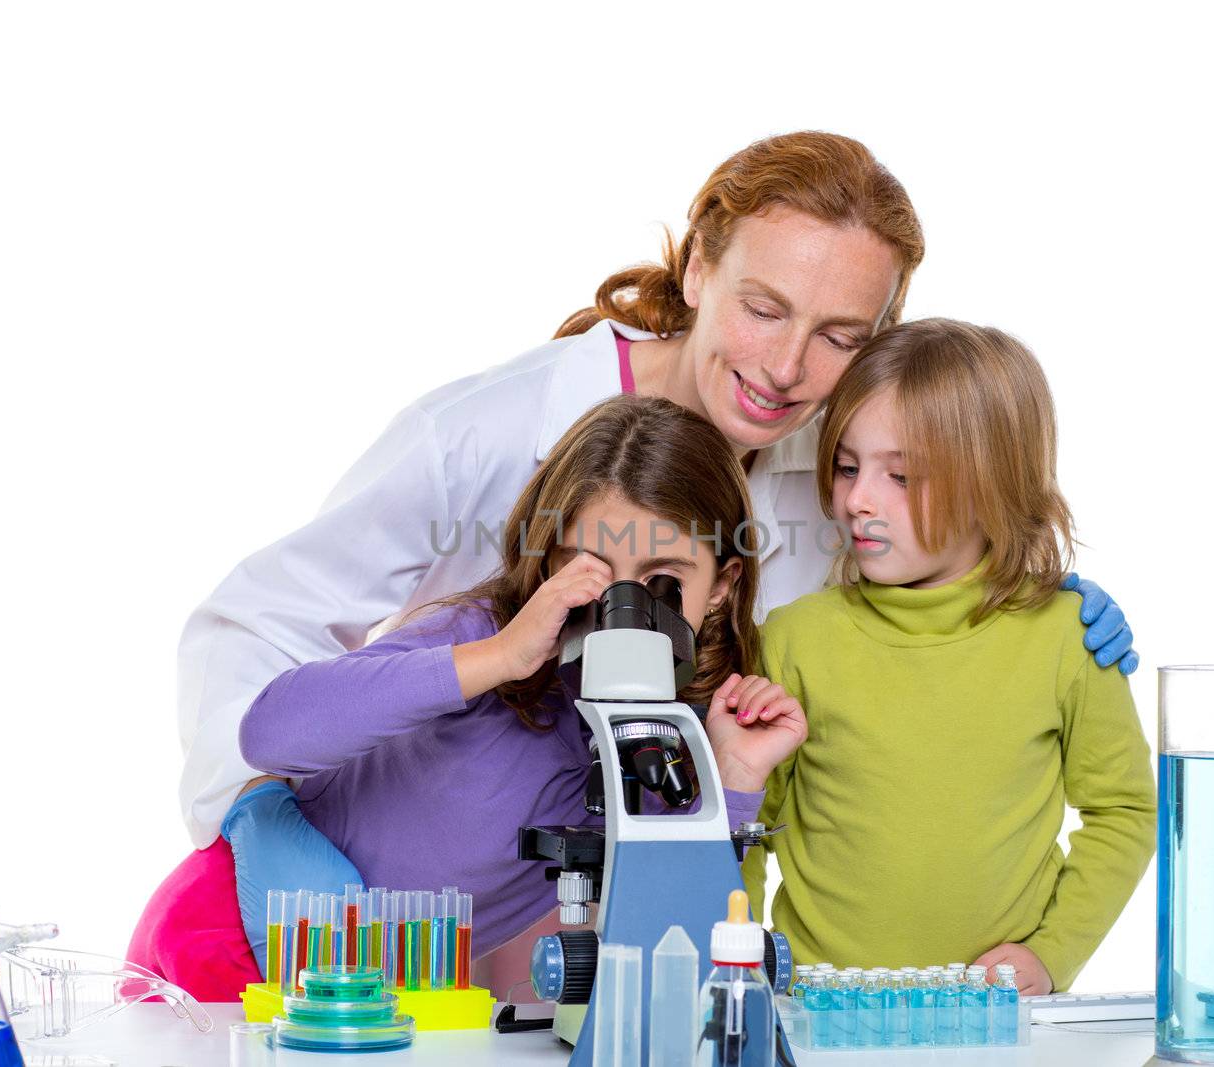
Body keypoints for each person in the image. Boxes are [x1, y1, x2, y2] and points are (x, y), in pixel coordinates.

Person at [173, 131, 1136, 966]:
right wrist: (269, 830)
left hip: (555, 920)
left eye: (839, 334)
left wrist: (1034, 600)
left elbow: (931, 582)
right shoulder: (484, 433)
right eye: (763, 308)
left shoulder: (842, 474)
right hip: (335, 908)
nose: (788, 367)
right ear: (698, 269)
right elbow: (254, 623)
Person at [132, 396, 806, 995]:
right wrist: (500, 656)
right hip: (234, 939)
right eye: (589, 572)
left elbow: (675, 921)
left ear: (721, 585)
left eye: (661, 583)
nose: (618, 610)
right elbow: (267, 734)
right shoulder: (480, 639)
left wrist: (734, 777)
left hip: (377, 993)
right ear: (546, 563)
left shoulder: (661, 736)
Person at [740, 319, 1155, 995]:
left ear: (994, 484)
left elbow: (1126, 812)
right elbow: (743, 820)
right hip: (815, 1020)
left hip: (996, 1026)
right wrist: (742, 967)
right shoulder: (793, 640)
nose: (857, 499)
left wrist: (1052, 953)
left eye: (901, 474)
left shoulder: (1068, 639)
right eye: (847, 466)